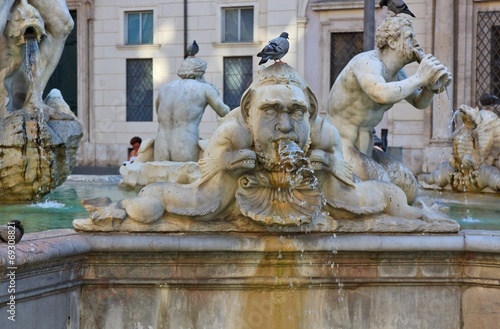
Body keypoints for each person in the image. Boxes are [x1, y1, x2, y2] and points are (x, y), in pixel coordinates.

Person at [327, 16, 451, 202]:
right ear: (392, 42)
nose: (416, 43)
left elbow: (419, 102)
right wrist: (419, 77)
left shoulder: (397, 73)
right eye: (409, 37)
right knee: (385, 189)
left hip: (367, 148)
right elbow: (380, 93)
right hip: (339, 145)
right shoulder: (367, 63)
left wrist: (430, 88)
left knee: (408, 185)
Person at [154, 57, 230, 162]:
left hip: (160, 147)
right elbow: (225, 113)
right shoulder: (205, 88)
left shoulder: (164, 88)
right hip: (185, 146)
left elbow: (158, 111)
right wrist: (214, 92)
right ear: (200, 73)